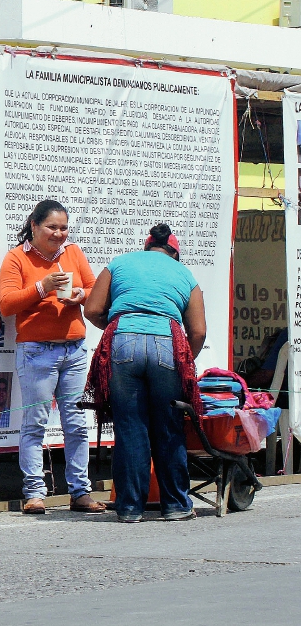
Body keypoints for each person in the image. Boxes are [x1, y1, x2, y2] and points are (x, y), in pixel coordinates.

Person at [83, 224, 207, 523]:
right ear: (174, 253)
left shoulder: (120, 263)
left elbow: (92, 309)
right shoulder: (185, 275)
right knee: (168, 426)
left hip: (123, 343)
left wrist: (119, 329)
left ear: (147, 246)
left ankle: (129, 508)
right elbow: (199, 330)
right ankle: (176, 505)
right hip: (168, 345)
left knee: (130, 427)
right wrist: (185, 360)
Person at [0, 199, 104, 516]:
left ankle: (80, 492)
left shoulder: (73, 253)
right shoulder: (17, 258)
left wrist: (81, 295)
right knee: (35, 424)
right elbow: (7, 304)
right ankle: (34, 494)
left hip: (74, 349)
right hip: (36, 352)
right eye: (52, 227)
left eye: (64, 228)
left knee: (76, 424)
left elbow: (94, 287)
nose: (59, 234)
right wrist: (42, 287)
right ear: (34, 226)